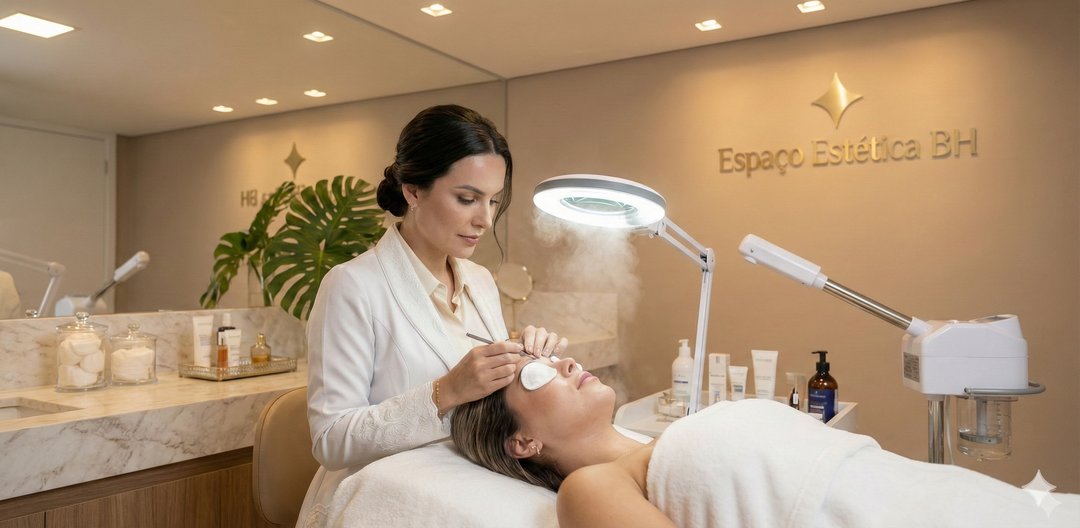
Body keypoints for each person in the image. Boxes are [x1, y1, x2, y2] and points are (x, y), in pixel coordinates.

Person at [298, 104, 567, 527]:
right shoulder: (352, 286)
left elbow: (489, 403)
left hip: (464, 490)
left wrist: (527, 361)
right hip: (384, 501)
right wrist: (446, 392)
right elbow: (332, 440)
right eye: (467, 199)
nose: (485, 219)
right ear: (413, 191)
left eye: (493, 201)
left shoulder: (479, 281)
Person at [451, 355, 1067, 528]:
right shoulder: (590, 488)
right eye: (534, 373)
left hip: (939, 497)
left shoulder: (658, 441)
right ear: (522, 442)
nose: (564, 363)